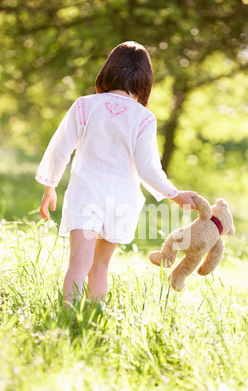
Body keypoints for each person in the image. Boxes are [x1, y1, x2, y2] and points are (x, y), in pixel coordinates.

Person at [36, 41, 197, 307]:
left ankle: (68, 315)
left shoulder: (84, 106)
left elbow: (59, 148)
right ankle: (93, 316)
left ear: (108, 71)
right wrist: (175, 195)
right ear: (145, 80)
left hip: (86, 195)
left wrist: (49, 187)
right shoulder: (143, 117)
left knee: (79, 262)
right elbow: (148, 168)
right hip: (121, 201)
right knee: (100, 265)